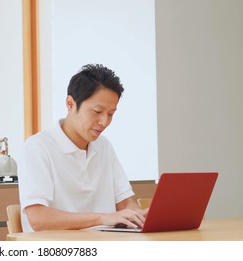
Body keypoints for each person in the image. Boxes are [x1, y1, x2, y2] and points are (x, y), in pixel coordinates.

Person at [18, 64, 147, 233]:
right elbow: (38, 219)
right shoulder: (37, 147)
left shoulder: (104, 147)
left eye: (111, 114)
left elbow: (126, 203)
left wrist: (140, 216)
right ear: (70, 103)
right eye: (97, 111)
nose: (104, 122)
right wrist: (103, 218)